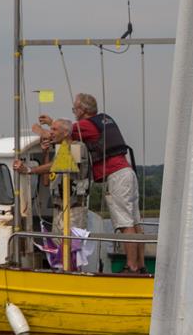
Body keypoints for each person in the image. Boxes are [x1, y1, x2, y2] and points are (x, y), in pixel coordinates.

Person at [41, 93, 145, 273]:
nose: (74, 112)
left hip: (116, 176)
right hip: (128, 173)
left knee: (125, 223)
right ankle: (141, 265)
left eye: (75, 109)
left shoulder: (86, 125)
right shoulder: (104, 119)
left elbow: (64, 132)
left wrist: (49, 124)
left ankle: (132, 267)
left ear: (82, 111)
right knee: (135, 222)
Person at [13, 118, 88, 234]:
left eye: (54, 129)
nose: (51, 132)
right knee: (58, 245)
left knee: (72, 246)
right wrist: (46, 153)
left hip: (74, 208)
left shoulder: (78, 147)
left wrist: (29, 170)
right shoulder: (58, 155)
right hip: (58, 209)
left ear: (66, 133)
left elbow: (57, 165)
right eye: (50, 129)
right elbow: (46, 181)